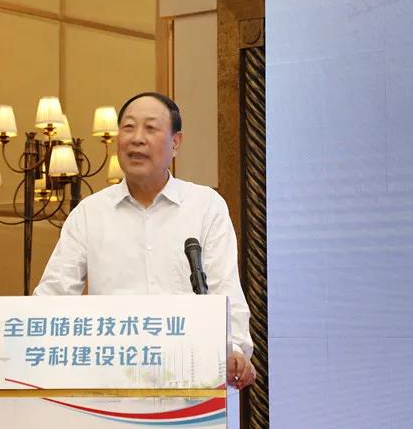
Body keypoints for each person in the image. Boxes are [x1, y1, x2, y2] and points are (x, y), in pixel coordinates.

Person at [34, 92, 256, 389]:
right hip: (110, 381)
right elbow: (53, 297)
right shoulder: (89, 213)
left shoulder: (205, 206)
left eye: (150, 128)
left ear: (175, 143)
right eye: (128, 127)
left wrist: (235, 349)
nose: (137, 138)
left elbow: (225, 288)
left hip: (190, 376)